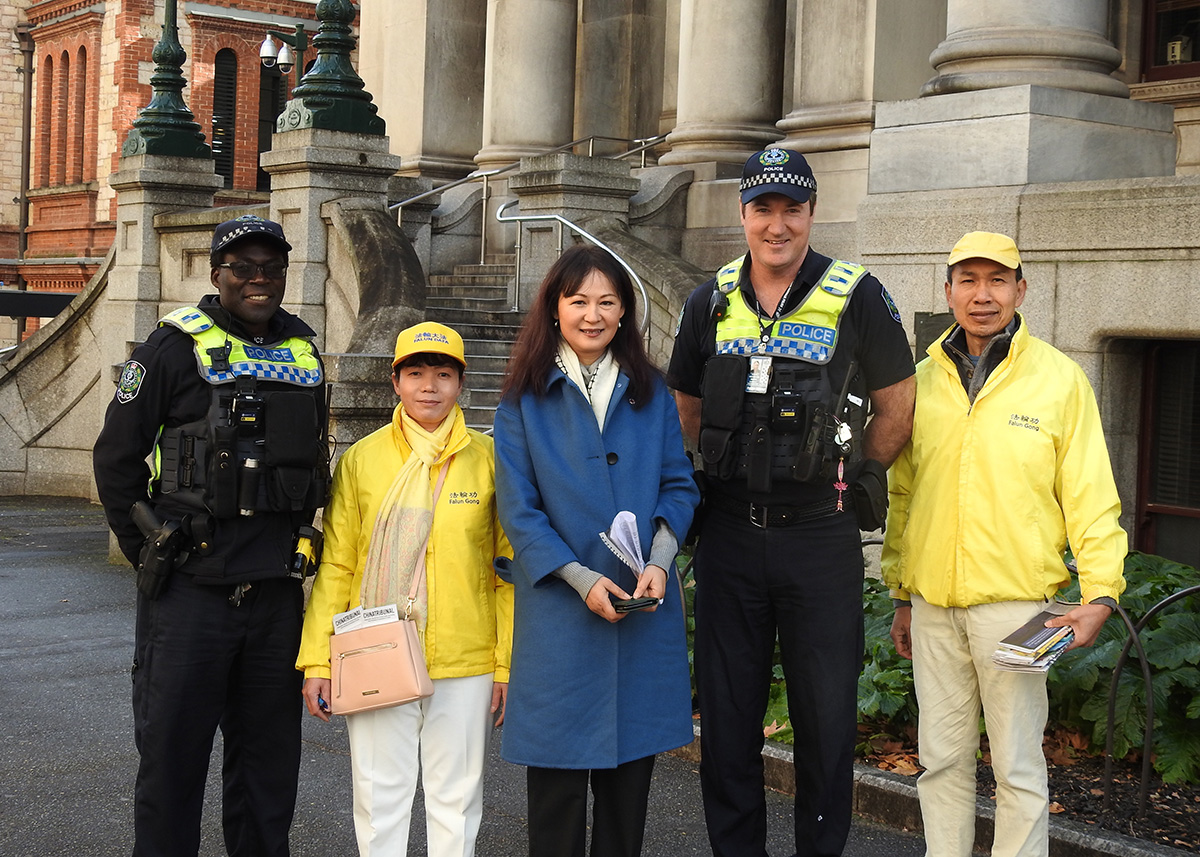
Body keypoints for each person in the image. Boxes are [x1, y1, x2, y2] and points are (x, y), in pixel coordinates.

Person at [667, 147, 916, 857]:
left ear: (811, 212)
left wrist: (865, 473)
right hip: (730, 534)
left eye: (792, 209)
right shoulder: (709, 300)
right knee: (728, 717)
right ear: (743, 213)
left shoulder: (857, 293)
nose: (777, 225)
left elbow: (898, 403)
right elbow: (686, 405)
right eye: (763, 209)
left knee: (826, 718)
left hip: (819, 536)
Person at [880, 231, 1127, 857]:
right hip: (934, 608)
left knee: (1016, 768)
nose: (982, 295)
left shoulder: (1060, 379)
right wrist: (902, 594)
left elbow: (1090, 493)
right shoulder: (921, 380)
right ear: (948, 291)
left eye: (997, 280)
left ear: (1021, 290)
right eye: (968, 280)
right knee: (941, 763)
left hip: (1016, 610)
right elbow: (904, 495)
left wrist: (1100, 593)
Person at [93, 214, 328, 856]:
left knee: (267, 773)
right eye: (242, 268)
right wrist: (151, 552)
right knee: (171, 764)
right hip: (191, 595)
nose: (258, 279)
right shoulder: (171, 348)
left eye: (271, 268)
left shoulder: (304, 351)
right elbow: (116, 460)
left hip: (275, 594)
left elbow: (314, 462)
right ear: (216, 274)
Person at [493, 244, 700, 857]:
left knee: (626, 797)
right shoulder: (522, 399)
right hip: (560, 611)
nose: (593, 314)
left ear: (624, 311)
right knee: (555, 798)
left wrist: (659, 562)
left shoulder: (651, 393)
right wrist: (581, 579)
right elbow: (519, 511)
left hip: (641, 607)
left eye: (607, 302)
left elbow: (679, 485)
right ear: (554, 308)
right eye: (578, 300)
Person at [295, 321, 513, 857]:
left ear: (460, 383)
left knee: (457, 800)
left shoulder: (490, 460)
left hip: (465, 656)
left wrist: (505, 665)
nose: (429, 386)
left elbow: (506, 573)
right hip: (376, 648)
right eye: (415, 373)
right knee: (379, 797)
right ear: (395, 381)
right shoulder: (362, 460)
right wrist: (318, 659)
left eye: (443, 374)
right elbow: (338, 564)